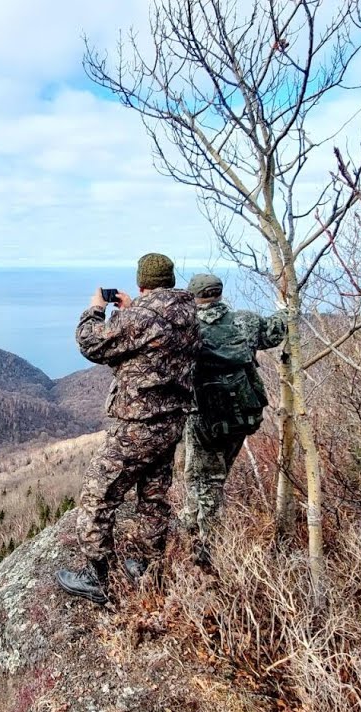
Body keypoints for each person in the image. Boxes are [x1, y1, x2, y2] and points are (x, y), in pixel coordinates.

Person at [55, 253, 199, 605]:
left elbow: (91, 342)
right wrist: (135, 307)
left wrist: (95, 308)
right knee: (152, 495)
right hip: (172, 421)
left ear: (141, 282)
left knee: (98, 493)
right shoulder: (188, 312)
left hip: (139, 425)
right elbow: (152, 335)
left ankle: (97, 579)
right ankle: (150, 569)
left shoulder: (142, 316)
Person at [180, 273, 286, 568]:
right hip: (242, 411)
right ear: (219, 293)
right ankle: (191, 518)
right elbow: (275, 332)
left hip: (205, 417)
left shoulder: (188, 329)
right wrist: (286, 310)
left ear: (194, 297)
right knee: (214, 471)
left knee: (206, 477)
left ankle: (208, 546)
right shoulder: (246, 321)